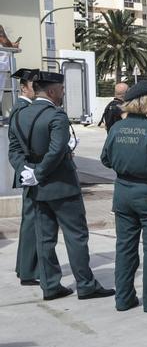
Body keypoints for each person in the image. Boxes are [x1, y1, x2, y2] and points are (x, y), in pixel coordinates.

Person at [13, 71, 115, 301]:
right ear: (51, 91)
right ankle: (86, 285)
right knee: (76, 236)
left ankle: (50, 286)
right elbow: (57, 150)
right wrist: (39, 172)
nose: (63, 93)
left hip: (36, 188)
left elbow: (14, 150)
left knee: (44, 239)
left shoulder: (20, 114)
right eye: (61, 89)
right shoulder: (56, 115)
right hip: (62, 186)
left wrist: (26, 171)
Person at [100, 81, 147, 312]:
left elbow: (105, 159)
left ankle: (123, 298)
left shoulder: (116, 128)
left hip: (122, 193)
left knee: (124, 248)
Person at [7, 68, 39, 285]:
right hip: (30, 172)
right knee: (31, 222)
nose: (37, 89)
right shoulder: (23, 109)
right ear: (24, 88)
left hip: (29, 171)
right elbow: (18, 146)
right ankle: (28, 271)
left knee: (30, 221)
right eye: (34, 86)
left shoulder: (23, 107)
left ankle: (24, 267)